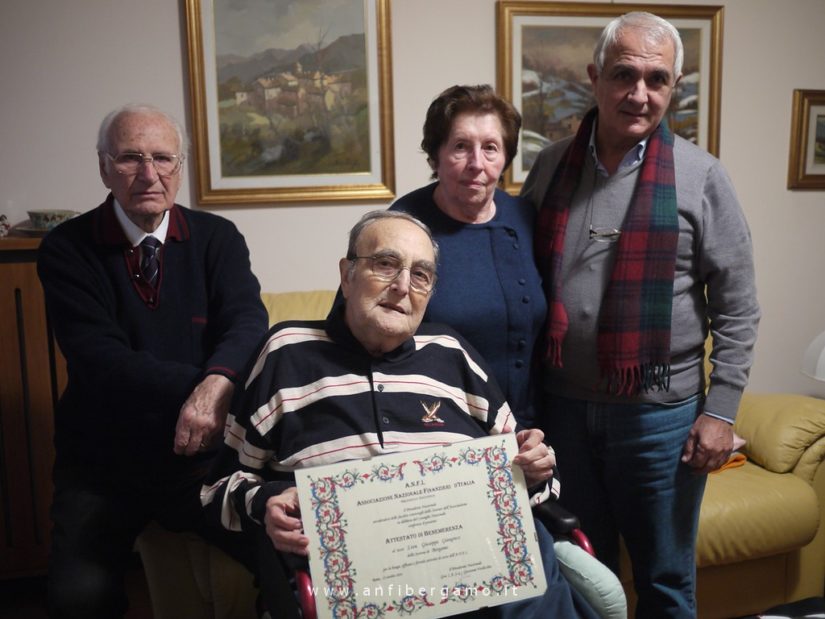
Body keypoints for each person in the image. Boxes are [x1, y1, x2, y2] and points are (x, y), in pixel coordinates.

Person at [202, 210, 599, 619]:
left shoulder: (451, 352)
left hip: (475, 565)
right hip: (360, 578)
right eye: (385, 264)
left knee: (527, 546)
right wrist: (268, 500)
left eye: (421, 275)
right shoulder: (286, 351)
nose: (402, 286)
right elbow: (216, 490)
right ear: (347, 275)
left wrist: (534, 469)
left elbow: (535, 478)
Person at [520, 11, 760, 618]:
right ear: (595, 77)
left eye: (657, 79)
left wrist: (720, 413)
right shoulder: (551, 166)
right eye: (624, 75)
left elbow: (737, 307)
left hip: (660, 418)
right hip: (563, 414)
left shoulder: (702, 176)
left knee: (664, 580)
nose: (640, 93)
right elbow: (517, 275)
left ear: (673, 87)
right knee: (582, 573)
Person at [37, 103, 268, 618]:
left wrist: (217, 385)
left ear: (180, 168)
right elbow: (102, 360)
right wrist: (203, 391)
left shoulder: (218, 238)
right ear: (104, 167)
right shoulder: (65, 248)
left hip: (198, 456)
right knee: (77, 599)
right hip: (103, 463)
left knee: (279, 551)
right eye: (130, 158)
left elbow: (248, 323)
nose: (149, 174)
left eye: (163, 158)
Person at [390, 84, 546, 428]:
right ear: (436, 156)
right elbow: (358, 331)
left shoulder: (525, 218)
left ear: (505, 157)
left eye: (490, 148)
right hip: (436, 428)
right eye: (461, 146)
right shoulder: (400, 226)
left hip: (527, 429)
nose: (477, 164)